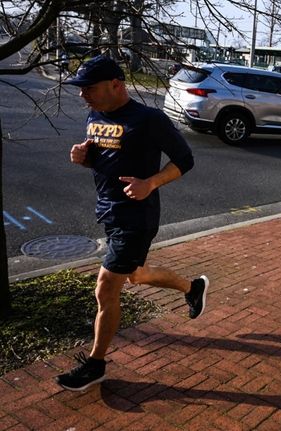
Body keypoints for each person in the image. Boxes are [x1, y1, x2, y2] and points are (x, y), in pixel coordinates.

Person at [56, 55, 209, 391]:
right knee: (135, 275)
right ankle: (192, 287)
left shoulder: (149, 119)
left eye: (89, 88)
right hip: (109, 212)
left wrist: (150, 182)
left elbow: (185, 159)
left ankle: (96, 365)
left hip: (136, 218)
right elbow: (106, 158)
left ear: (116, 84)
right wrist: (84, 157)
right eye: (81, 89)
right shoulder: (95, 115)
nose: (83, 95)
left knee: (106, 288)